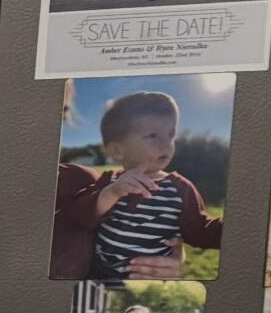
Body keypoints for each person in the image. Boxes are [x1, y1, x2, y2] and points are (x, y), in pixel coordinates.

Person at [48, 86, 221, 282]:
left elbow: (199, 230)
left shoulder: (180, 189)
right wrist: (111, 193)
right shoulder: (109, 181)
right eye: (153, 135)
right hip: (98, 275)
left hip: (143, 281)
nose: (166, 143)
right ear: (117, 151)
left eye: (171, 135)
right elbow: (79, 215)